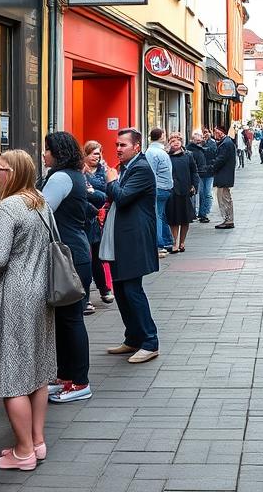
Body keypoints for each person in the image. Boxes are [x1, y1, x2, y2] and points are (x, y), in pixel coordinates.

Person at [0, 150, 56, 470]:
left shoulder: (7, 207)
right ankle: (37, 441)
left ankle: (23, 452)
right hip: (40, 293)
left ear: (14, 174)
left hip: (14, 295)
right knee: (38, 369)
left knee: (12, 375)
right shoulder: (40, 202)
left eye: (0, 169)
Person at [39, 132, 93, 404]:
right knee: (64, 319)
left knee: (71, 319)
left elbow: (41, 211)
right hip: (74, 253)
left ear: (57, 153)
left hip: (68, 256)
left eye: (47, 149)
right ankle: (66, 376)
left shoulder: (60, 178)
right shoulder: (72, 175)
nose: (43, 154)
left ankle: (80, 381)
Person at [101, 129, 161, 363]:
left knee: (132, 291)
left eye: (123, 145)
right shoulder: (127, 167)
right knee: (122, 291)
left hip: (134, 240)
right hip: (122, 239)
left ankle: (150, 341)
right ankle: (133, 338)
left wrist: (112, 180)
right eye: (116, 144)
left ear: (136, 147)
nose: (118, 148)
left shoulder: (141, 168)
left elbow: (123, 197)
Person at [81, 140, 114, 305]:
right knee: (85, 257)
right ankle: (85, 297)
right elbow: (84, 194)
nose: (97, 156)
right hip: (85, 218)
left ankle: (104, 288)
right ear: (85, 154)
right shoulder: (81, 172)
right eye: (94, 153)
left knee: (97, 255)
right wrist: (95, 194)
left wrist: (93, 192)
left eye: (99, 153)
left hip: (100, 217)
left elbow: (108, 192)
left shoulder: (104, 170)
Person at [165, 132, 199, 252]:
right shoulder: (166, 156)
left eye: (178, 140)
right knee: (174, 219)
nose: (176, 142)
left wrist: (194, 185)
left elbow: (194, 171)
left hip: (185, 189)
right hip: (172, 190)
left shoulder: (188, 155)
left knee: (185, 218)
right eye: (173, 141)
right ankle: (174, 242)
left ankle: (182, 242)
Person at [143, 127, 175, 255]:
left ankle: (162, 243)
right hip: (161, 188)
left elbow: (151, 172)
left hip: (160, 188)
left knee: (159, 215)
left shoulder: (152, 152)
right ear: (161, 136)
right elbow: (152, 173)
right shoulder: (157, 152)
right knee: (159, 216)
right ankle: (163, 243)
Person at [211, 125, 237, 229]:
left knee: (224, 198)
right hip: (224, 175)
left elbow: (221, 159)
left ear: (221, 133)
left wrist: (211, 167)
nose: (214, 134)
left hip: (224, 175)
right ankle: (228, 219)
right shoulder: (226, 142)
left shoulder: (226, 144)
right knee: (224, 197)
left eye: (216, 132)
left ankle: (228, 220)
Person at [186, 130, 214, 224]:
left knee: (208, 194)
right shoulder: (190, 149)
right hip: (198, 174)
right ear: (192, 140)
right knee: (200, 193)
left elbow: (215, 153)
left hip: (208, 173)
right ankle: (195, 213)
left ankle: (204, 213)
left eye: (200, 140)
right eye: (196, 140)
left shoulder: (208, 146)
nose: (199, 142)